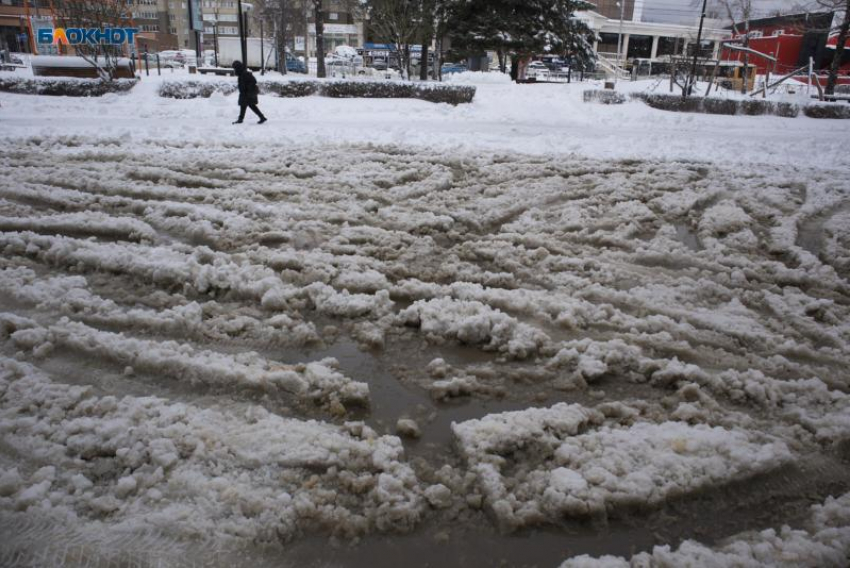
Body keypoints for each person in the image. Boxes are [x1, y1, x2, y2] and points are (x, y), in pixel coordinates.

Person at [232, 60, 267, 124]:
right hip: (245, 93)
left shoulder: (245, 74)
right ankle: (261, 117)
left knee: (248, 105)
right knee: (246, 105)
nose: (234, 70)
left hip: (247, 93)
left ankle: (241, 119)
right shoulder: (242, 74)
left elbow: (253, 81)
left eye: (235, 68)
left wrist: (248, 89)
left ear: (237, 68)